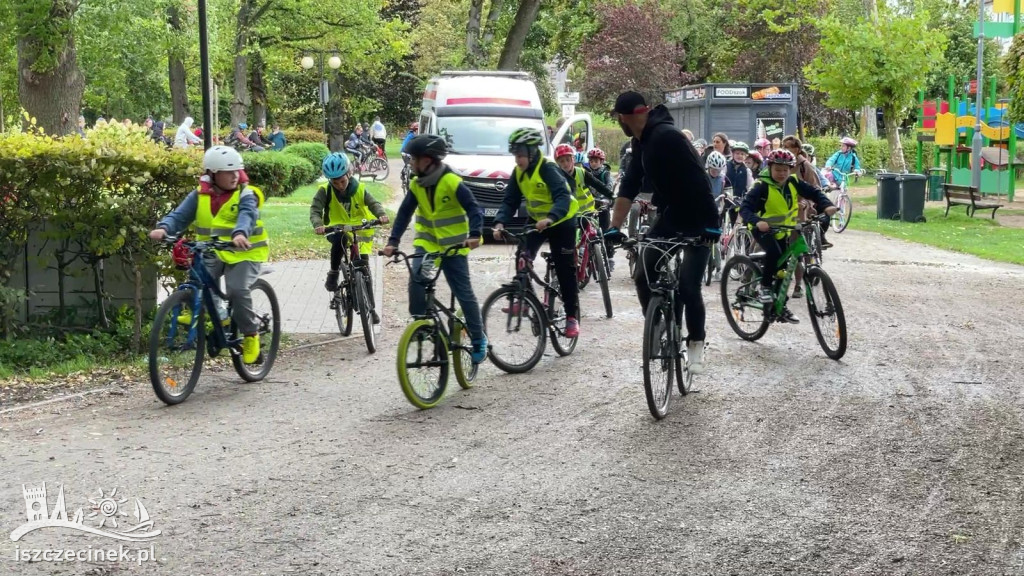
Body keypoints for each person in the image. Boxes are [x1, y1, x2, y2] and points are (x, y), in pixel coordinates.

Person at [604, 91, 719, 373]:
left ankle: (696, 342)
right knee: (644, 269)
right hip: (671, 216)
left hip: (700, 219)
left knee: (689, 285)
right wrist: (614, 227)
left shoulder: (668, 136)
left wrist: (711, 224)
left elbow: (699, 179)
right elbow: (629, 185)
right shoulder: (640, 142)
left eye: (618, 117)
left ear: (626, 117)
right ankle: (657, 326)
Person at [148, 146, 269, 364]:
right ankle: (214, 315)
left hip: (244, 253)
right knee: (198, 279)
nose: (234, 176)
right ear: (213, 174)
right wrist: (165, 228)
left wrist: (240, 232)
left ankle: (251, 335)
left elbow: (247, 216)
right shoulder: (199, 195)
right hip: (214, 250)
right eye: (227, 172)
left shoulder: (245, 194)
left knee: (237, 289)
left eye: (237, 171)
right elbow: (180, 215)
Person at [383, 135, 488, 364]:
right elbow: (403, 213)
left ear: (428, 160)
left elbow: (474, 210)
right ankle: (421, 324)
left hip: (454, 247)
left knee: (463, 293)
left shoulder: (451, 182)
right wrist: (393, 241)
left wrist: (475, 235)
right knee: (417, 277)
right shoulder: (416, 184)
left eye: (415, 159)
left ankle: (479, 339)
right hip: (428, 244)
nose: (411, 163)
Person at [492, 127, 581, 339]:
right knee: (523, 255)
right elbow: (510, 200)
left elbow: (563, 196)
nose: (518, 160)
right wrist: (499, 223)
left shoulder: (548, 168)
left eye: (521, 155)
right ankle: (525, 299)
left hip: (562, 220)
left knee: (564, 269)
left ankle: (571, 317)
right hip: (537, 221)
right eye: (515, 155)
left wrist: (551, 218)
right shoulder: (519, 173)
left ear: (532, 153)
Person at [739, 149, 837, 322]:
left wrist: (826, 204)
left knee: (784, 268)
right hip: (763, 229)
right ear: (769, 168)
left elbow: (814, 192)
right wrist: (757, 221)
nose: (782, 173)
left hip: (784, 229)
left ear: (791, 169)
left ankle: (779, 306)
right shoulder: (761, 186)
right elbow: (745, 208)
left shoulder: (793, 182)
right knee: (775, 254)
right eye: (778, 169)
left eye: (786, 170)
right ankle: (765, 287)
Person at [310, 153, 389, 323]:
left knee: (364, 269)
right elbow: (315, 210)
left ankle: (371, 308)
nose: (339, 185)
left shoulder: (360, 188)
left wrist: (381, 215)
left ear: (349, 174)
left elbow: (373, 203)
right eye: (335, 182)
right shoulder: (324, 191)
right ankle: (333, 273)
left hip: (361, 231)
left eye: (342, 181)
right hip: (337, 228)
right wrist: (318, 224)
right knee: (339, 240)